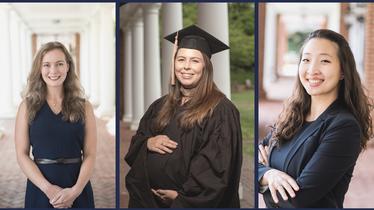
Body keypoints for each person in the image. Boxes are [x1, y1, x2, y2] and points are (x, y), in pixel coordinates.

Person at [125, 25, 243, 208]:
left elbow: (217, 168)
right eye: (181, 59)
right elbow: (137, 142)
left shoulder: (220, 110)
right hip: (149, 202)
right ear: (174, 63)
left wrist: (182, 198)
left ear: (205, 66)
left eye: (195, 61)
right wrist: (147, 143)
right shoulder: (160, 105)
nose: (186, 66)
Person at [258, 29, 373, 208]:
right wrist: (269, 175)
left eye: (325, 61)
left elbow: (298, 199)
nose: (312, 70)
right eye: (306, 60)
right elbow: (258, 156)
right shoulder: (292, 115)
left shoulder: (344, 127)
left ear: (343, 71)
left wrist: (263, 177)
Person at [15, 42, 96, 208]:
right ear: (39, 69)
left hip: (77, 187)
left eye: (59, 64)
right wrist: (49, 189)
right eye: (47, 65)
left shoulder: (84, 106)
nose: (53, 71)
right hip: (40, 188)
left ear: (68, 66)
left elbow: (90, 154)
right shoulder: (27, 106)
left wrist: (75, 191)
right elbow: (22, 155)